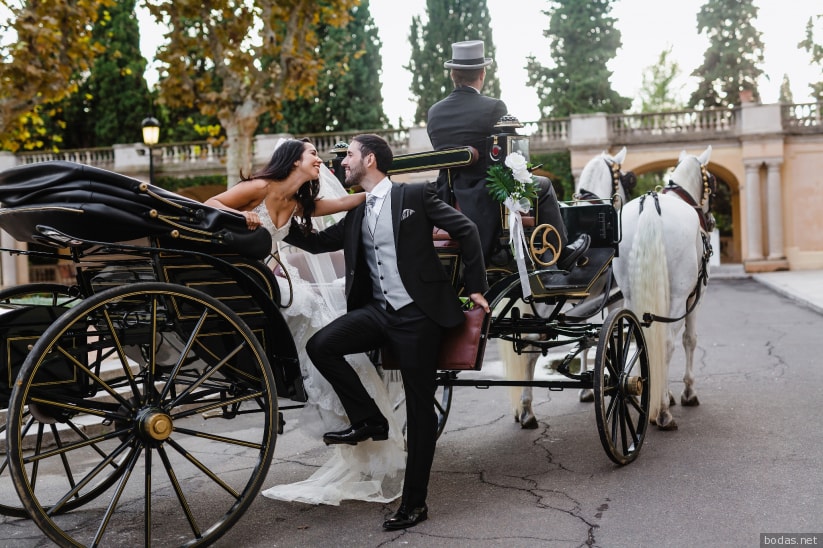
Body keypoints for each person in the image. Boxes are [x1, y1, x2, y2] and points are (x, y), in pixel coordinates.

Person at [284, 134, 490, 530]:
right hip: (378, 313)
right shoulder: (357, 211)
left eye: (349, 155)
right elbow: (316, 242)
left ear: (371, 160)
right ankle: (370, 419)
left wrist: (475, 285)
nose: (343, 162)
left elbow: (467, 230)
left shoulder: (414, 196)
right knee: (322, 345)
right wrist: (273, 219)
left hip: (418, 317)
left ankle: (415, 503)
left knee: (419, 406)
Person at [205, 138, 407, 506]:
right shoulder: (259, 187)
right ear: (293, 160)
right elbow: (208, 205)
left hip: (267, 280)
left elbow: (347, 201)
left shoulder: (300, 204)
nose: (320, 160)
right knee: (315, 302)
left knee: (319, 303)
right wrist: (242, 216)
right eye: (313, 154)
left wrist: (383, 191)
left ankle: (348, 400)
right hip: (245, 278)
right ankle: (346, 398)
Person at [426, 39, 590, 270]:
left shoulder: (434, 112)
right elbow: (512, 156)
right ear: (482, 74)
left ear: (453, 74)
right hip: (486, 195)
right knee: (543, 185)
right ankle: (560, 253)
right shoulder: (493, 107)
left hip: (446, 193)